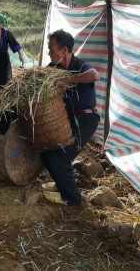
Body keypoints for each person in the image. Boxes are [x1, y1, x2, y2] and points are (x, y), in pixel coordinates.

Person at [41, 29, 100, 206]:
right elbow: (39, 78)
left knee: (60, 157)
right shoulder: (54, 68)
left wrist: (64, 81)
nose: (49, 53)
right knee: (46, 153)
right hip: (65, 120)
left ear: (64, 50)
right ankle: (61, 185)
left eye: (52, 49)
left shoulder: (80, 65)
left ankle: (72, 198)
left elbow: (94, 75)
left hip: (86, 121)